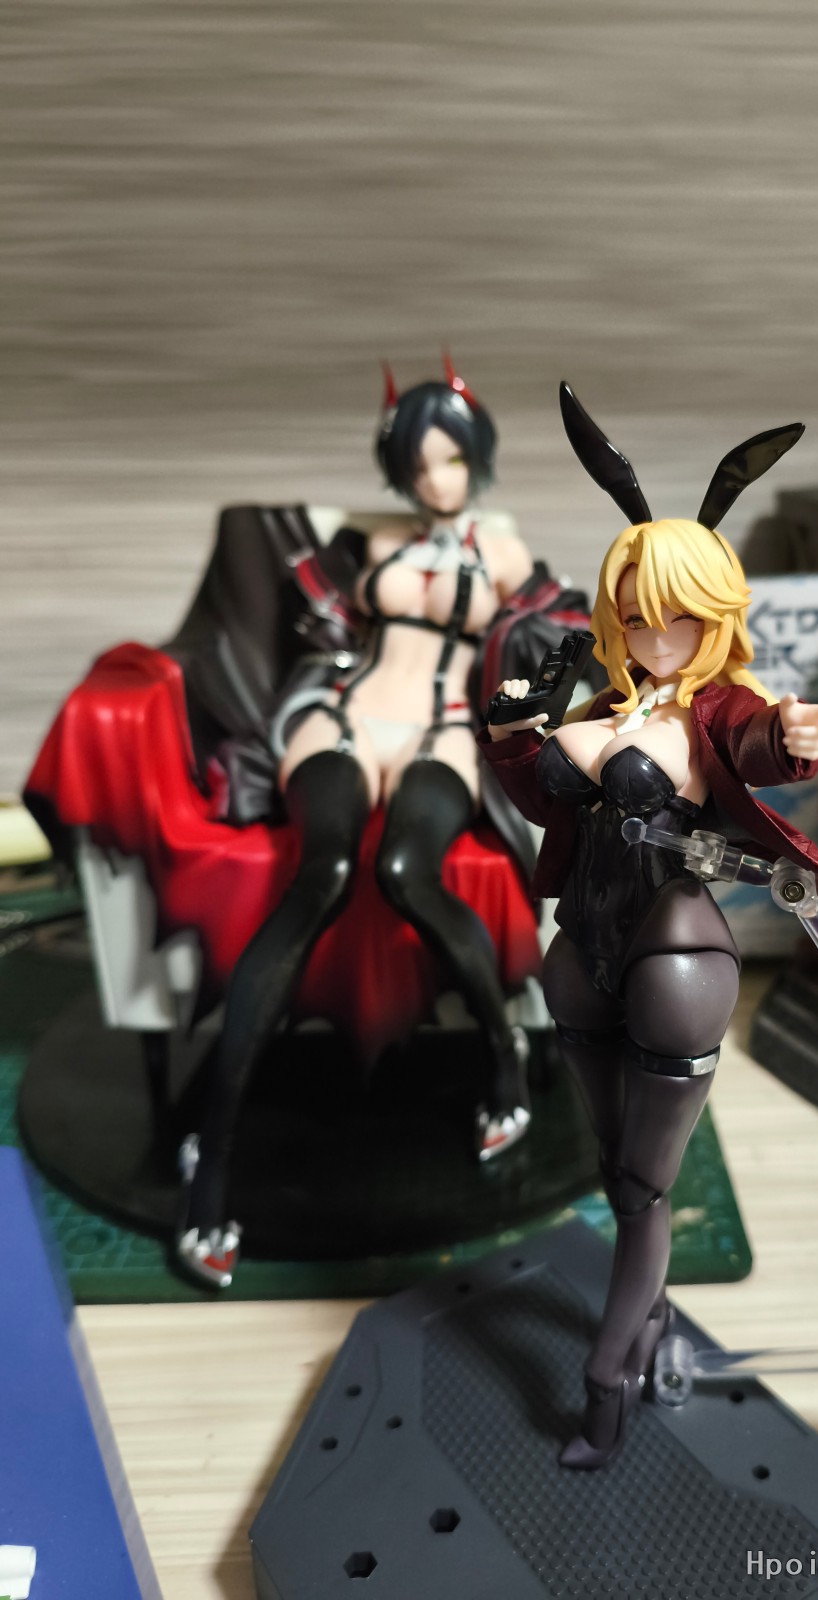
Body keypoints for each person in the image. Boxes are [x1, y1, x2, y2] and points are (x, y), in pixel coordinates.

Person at [480, 384, 818, 1467]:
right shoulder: (607, 707)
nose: (654, 635)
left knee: (643, 1188)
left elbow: (764, 741)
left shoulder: (714, 709)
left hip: (675, 956)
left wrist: (798, 734)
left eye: (676, 616)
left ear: (716, 613)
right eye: (637, 615)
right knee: (619, 1174)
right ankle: (647, 1328)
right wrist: (513, 734)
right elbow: (543, 800)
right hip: (579, 956)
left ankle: (605, 1380)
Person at [176, 358, 536, 1290]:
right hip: (342, 714)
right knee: (323, 876)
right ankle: (213, 1150)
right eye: (416, 463)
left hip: (445, 727)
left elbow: (540, 645)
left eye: (449, 458)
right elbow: (275, 589)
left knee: (408, 874)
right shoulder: (363, 536)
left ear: (476, 456)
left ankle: (505, 1056)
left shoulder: (506, 553)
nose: (435, 479)